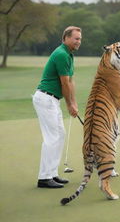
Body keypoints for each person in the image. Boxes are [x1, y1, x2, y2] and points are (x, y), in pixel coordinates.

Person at [32, 26, 82, 188]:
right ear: (66, 38)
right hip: (46, 98)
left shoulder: (69, 55)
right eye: (76, 38)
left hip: (52, 100)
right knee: (52, 137)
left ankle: (52, 174)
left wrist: (74, 103)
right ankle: (44, 178)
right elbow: (64, 83)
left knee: (60, 134)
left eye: (80, 39)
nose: (78, 41)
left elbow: (71, 82)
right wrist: (69, 105)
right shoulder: (61, 54)